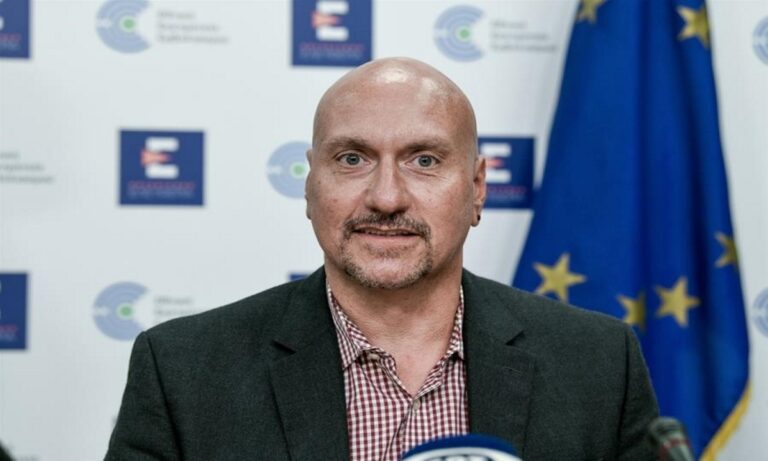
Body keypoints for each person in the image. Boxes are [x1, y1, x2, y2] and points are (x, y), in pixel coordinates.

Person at [106, 57, 658, 460]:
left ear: (477, 189)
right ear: (310, 186)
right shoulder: (184, 371)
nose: (387, 198)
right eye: (352, 159)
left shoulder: (598, 364)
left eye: (424, 160)